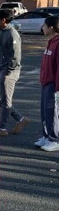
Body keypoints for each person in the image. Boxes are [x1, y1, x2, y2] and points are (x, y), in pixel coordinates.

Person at [0, 8, 29, 136]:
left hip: (8, 71)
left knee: (6, 100)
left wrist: (9, 71)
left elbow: (16, 55)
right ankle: (20, 119)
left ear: (4, 20)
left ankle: (2, 128)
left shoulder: (12, 34)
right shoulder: (0, 31)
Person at [35, 14, 59, 152]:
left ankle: (54, 139)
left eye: (44, 25)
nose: (42, 28)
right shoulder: (51, 41)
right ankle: (46, 135)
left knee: (53, 112)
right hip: (46, 83)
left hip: (53, 85)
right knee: (45, 111)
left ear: (51, 27)